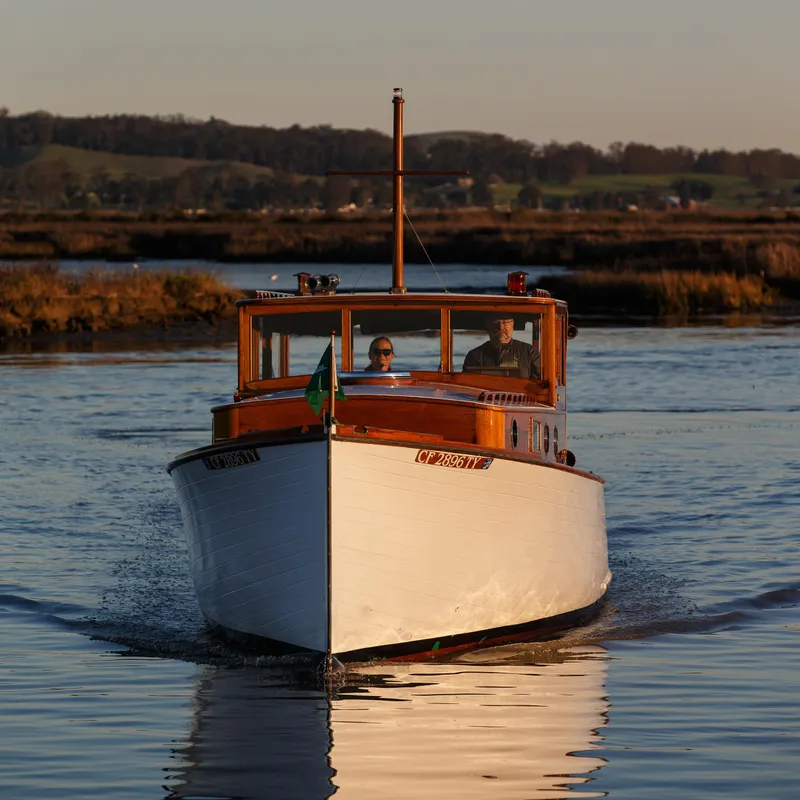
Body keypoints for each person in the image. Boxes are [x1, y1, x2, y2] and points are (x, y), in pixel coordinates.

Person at [462, 314, 540, 378]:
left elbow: (540, 384)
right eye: (495, 321)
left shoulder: (530, 353)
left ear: (513, 325)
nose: (500, 327)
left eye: (505, 322)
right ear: (487, 326)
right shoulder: (474, 355)